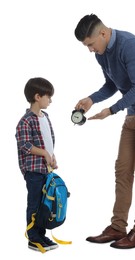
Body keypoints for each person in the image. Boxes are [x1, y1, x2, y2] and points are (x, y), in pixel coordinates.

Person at [74, 14, 135, 249]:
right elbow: (111, 85)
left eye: (90, 43)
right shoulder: (102, 53)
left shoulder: (131, 46)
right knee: (122, 170)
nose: (89, 50)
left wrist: (112, 110)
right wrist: (91, 99)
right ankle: (118, 227)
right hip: (133, 113)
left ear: (103, 33)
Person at [15, 77, 59, 251]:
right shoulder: (25, 121)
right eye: (49, 96)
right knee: (34, 203)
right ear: (38, 96)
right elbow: (25, 145)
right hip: (34, 170)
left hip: (45, 168)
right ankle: (33, 237)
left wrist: (52, 156)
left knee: (44, 204)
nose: (51, 100)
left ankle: (41, 235)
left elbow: (48, 141)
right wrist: (44, 154)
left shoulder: (45, 116)